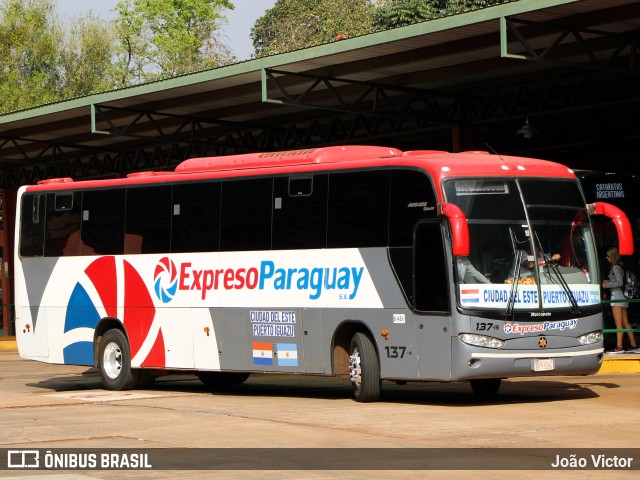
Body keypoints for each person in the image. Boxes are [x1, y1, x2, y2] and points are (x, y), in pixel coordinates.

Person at [602, 247, 638, 353]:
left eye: (608, 256)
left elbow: (619, 283)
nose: (606, 257)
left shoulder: (615, 267)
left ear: (612, 256)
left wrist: (606, 284)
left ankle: (619, 346)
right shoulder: (620, 266)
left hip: (617, 296)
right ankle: (634, 345)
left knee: (618, 323)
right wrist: (609, 281)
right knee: (626, 322)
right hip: (622, 296)